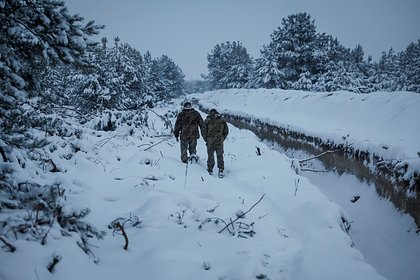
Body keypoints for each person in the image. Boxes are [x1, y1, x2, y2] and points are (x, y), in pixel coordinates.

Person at [202, 109, 229, 178]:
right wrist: (222, 139)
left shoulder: (209, 120)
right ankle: (218, 170)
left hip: (212, 142)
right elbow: (226, 131)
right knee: (217, 156)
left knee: (212, 156)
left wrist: (207, 139)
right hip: (217, 142)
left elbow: (203, 131)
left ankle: (212, 169)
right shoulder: (221, 120)